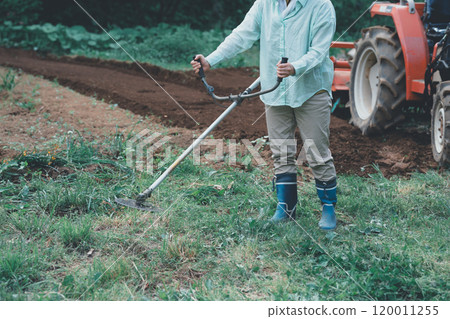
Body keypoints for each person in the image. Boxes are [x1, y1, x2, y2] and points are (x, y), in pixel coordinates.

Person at [191, 0, 338, 230]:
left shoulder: (321, 6)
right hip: (275, 89)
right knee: (281, 151)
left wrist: (295, 67)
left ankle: (328, 208)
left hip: (310, 90)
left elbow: (319, 51)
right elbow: (242, 35)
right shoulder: (265, 4)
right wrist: (211, 59)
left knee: (317, 151)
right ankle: (286, 207)